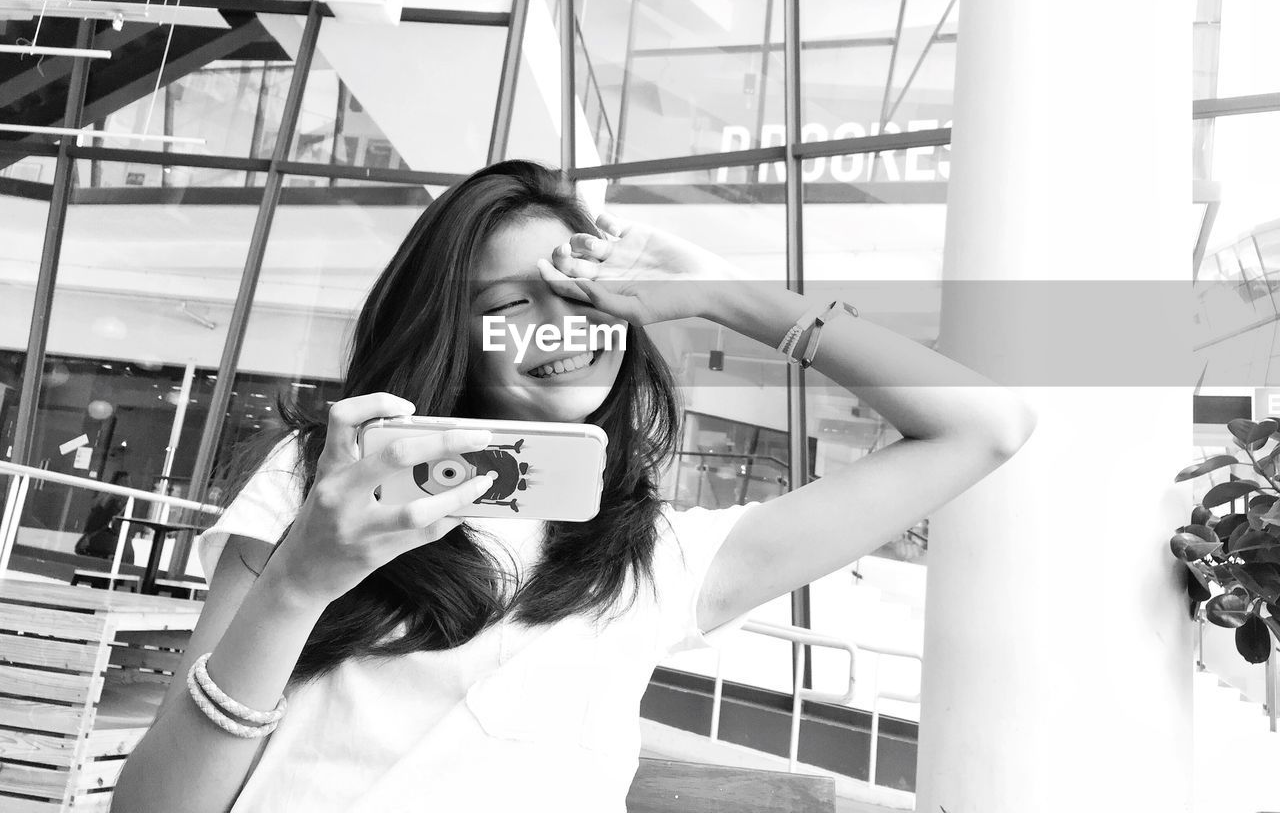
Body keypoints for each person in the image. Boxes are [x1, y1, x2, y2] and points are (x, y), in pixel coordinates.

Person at [111, 161, 1036, 813]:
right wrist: (300, 582)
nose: (559, 327)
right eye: (511, 304)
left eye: (585, 295)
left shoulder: (660, 561)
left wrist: (725, 292)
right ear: (450, 331)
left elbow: (985, 427)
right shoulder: (325, 489)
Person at [74, 470, 137, 564]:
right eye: (123, 483)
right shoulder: (107, 502)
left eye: (128, 483)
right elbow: (96, 520)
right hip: (105, 543)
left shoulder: (129, 505)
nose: (126, 486)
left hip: (118, 544)